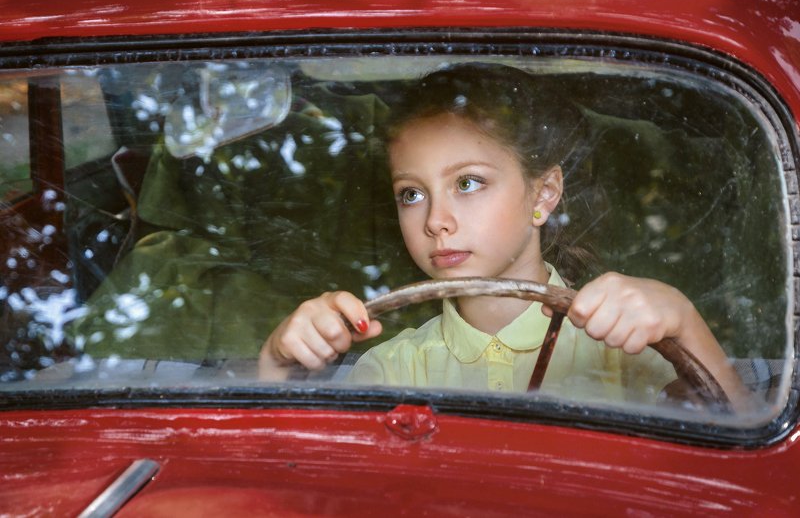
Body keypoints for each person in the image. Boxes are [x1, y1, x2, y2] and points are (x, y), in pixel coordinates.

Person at [258, 63, 752, 410]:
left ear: (544, 193)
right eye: (411, 194)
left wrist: (683, 322)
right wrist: (277, 364)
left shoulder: (621, 343)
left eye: (468, 182)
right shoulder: (393, 367)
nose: (436, 220)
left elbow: (745, 472)